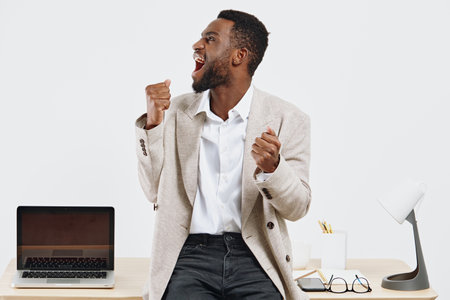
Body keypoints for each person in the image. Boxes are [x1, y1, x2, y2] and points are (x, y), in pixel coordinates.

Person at [135, 9, 311, 300]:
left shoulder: (288, 119)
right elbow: (153, 191)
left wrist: (273, 169)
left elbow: (298, 207)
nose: (197, 45)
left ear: (238, 56)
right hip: (189, 257)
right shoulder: (175, 113)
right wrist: (153, 124)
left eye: (210, 39)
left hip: (255, 257)